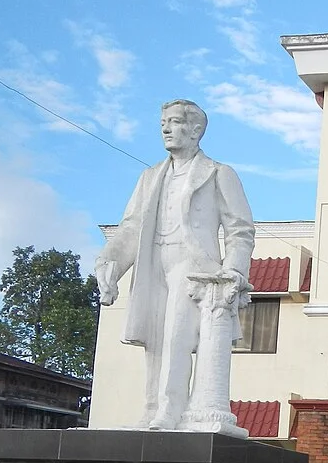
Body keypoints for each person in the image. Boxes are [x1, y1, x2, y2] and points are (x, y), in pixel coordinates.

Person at [95, 100, 255, 429]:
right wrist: (110, 263)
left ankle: (171, 408)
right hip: (155, 261)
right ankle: (152, 406)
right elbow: (131, 227)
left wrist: (234, 271)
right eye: (163, 123)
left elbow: (240, 229)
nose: (167, 128)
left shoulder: (217, 173)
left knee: (176, 336)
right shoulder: (150, 176)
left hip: (193, 265)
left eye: (176, 122)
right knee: (155, 338)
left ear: (196, 131)